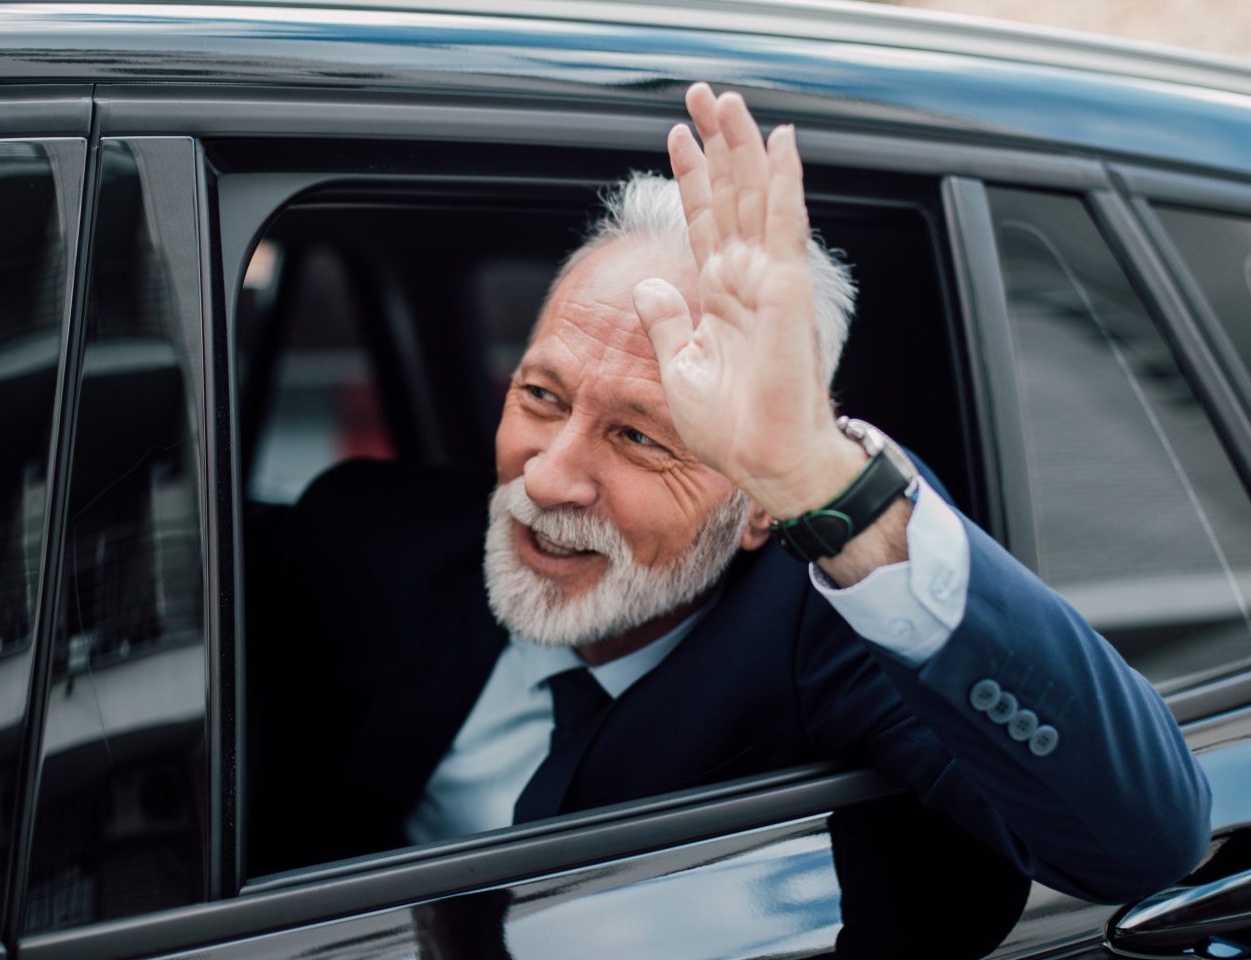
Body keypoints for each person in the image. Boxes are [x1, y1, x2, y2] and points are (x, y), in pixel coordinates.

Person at [246, 83, 1210, 902]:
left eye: (639, 437)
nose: (548, 476)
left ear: (756, 506)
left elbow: (1143, 845)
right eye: (541, 397)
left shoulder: (826, 647)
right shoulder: (365, 538)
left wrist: (817, 474)